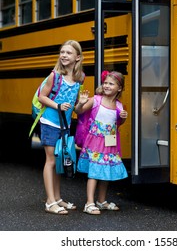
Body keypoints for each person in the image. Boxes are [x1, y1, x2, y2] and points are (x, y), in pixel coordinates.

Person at [38, 40, 84, 215]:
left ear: (77, 57)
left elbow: (76, 106)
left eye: (69, 53)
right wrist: (57, 106)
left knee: (58, 161)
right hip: (50, 123)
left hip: (64, 124)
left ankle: (57, 198)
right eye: (62, 52)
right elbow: (42, 97)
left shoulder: (80, 78)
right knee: (50, 161)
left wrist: (81, 104)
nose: (64, 55)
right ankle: (50, 202)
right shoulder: (55, 76)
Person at [75, 70, 128, 215]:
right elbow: (79, 111)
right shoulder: (96, 100)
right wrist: (81, 103)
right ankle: (89, 203)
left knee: (106, 172)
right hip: (94, 143)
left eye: (111, 84)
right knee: (94, 172)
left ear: (120, 88)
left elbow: (118, 123)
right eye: (105, 83)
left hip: (110, 144)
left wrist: (123, 117)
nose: (107, 86)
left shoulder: (119, 106)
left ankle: (101, 201)